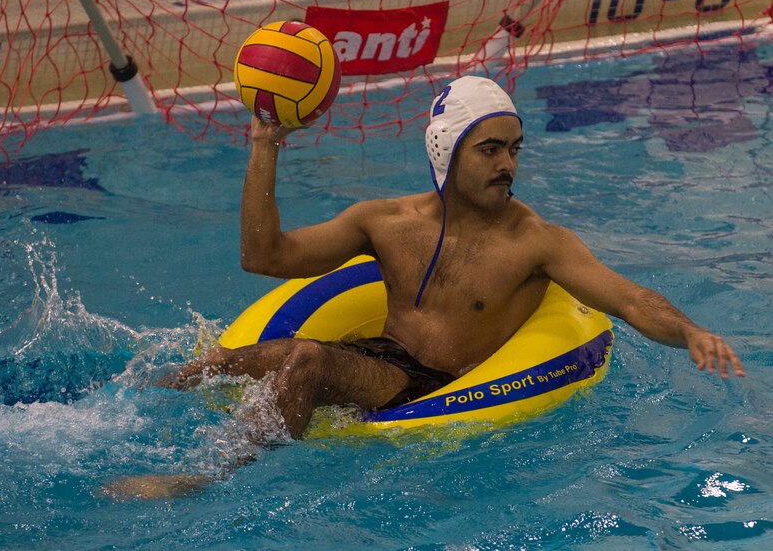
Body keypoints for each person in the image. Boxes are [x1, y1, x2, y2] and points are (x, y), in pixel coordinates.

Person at [159, 75, 746, 440]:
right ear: (445, 150)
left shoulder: (536, 242)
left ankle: (215, 479)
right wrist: (265, 146)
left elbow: (630, 299)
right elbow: (263, 257)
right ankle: (134, 401)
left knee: (306, 364)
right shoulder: (384, 222)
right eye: (490, 150)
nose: (507, 165)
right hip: (373, 358)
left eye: (514, 150)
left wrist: (691, 331)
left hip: (433, 386)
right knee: (223, 360)